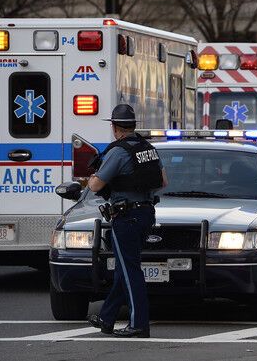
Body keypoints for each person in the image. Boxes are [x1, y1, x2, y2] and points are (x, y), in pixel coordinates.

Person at [86, 104, 168, 338]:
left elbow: (95, 186)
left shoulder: (118, 151)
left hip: (126, 216)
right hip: (145, 213)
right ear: (132, 125)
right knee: (124, 268)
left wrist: (94, 174)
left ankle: (139, 324)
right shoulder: (147, 148)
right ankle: (107, 317)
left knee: (131, 272)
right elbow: (163, 181)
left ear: (114, 127)